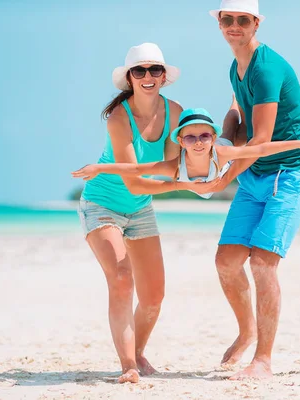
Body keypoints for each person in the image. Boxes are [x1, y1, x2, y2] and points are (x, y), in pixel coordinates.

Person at [205, 0, 300, 380]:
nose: (234, 26)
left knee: (261, 263)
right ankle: (246, 330)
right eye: (227, 19)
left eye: (242, 20)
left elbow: (261, 140)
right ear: (219, 23)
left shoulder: (267, 68)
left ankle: (263, 360)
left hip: (289, 176)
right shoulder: (237, 66)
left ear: (256, 24)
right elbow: (237, 111)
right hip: (255, 176)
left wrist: (222, 176)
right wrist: (223, 135)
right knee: (226, 261)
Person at [76, 42, 194, 384]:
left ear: (163, 77)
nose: (147, 76)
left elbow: (174, 168)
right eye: (139, 70)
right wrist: (187, 185)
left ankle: (138, 353)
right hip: (102, 205)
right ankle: (128, 364)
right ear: (129, 77)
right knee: (123, 279)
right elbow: (136, 183)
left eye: (154, 70)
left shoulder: (175, 112)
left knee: (154, 296)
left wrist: (199, 173)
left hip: (140, 210)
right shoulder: (118, 117)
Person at [72, 108, 300, 199]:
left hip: (224, 159)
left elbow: (261, 149)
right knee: (234, 135)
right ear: (181, 141)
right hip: (205, 175)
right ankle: (233, 107)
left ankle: (235, 104)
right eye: (191, 138)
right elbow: (136, 170)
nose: (198, 142)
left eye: (204, 136)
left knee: (238, 133)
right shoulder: (174, 167)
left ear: (210, 138)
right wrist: (98, 167)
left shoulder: (219, 151)